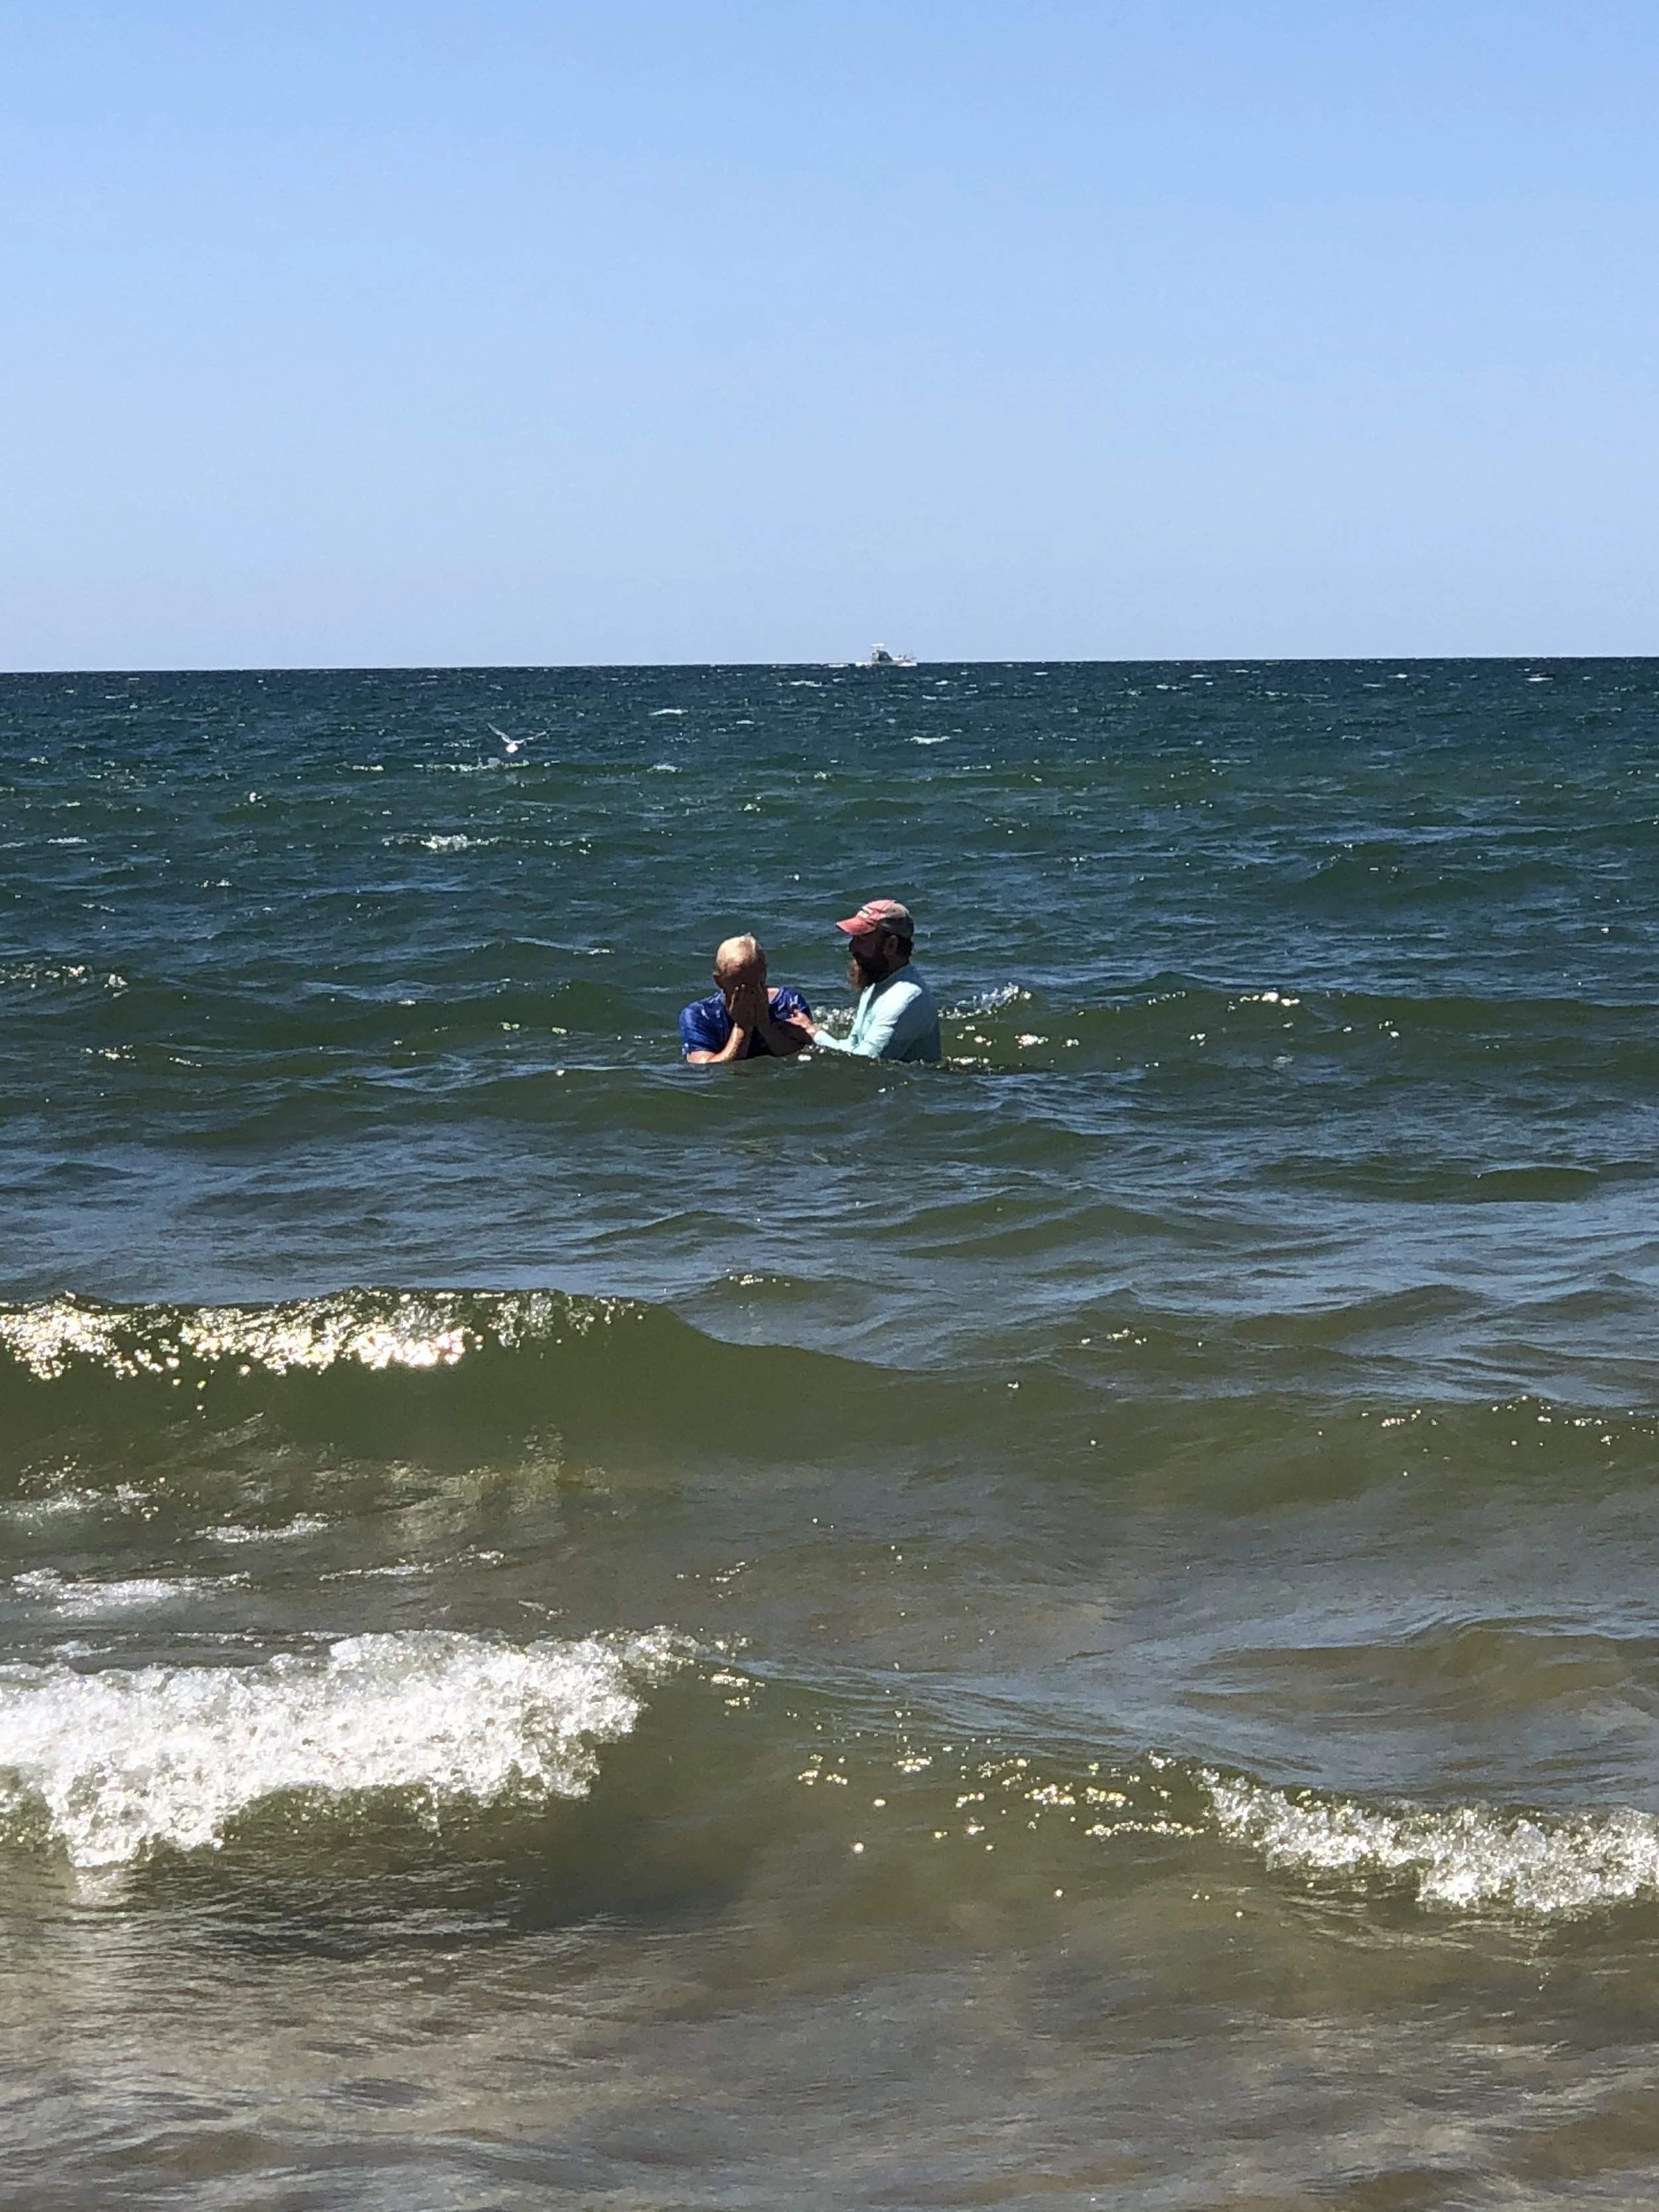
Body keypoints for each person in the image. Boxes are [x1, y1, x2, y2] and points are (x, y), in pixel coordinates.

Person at [782, 898, 941, 1063]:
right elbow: (853, 1044)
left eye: (861, 940)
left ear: (891, 945)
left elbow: (866, 1061)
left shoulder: (904, 999)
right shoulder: (879, 986)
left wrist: (814, 1033)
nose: (851, 948)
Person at [680, 934, 813, 1064]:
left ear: (765, 973)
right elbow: (704, 1066)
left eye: (756, 985)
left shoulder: (788, 1003)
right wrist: (742, 1027)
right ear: (719, 981)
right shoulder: (699, 1015)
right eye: (740, 987)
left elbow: (801, 1055)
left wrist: (765, 1025)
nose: (749, 994)